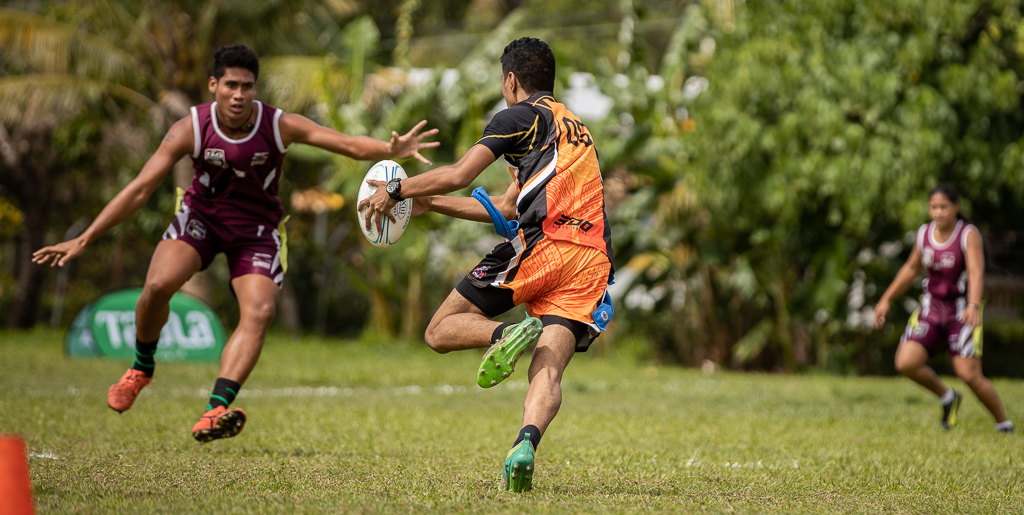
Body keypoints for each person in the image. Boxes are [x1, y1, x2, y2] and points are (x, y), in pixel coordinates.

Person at [33, 44, 438, 442]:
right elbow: (140, 188)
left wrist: (388, 150)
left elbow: (347, 144)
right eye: (230, 85)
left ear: (255, 89)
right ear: (213, 85)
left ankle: (216, 408)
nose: (239, 94)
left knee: (260, 311)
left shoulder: (278, 124)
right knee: (156, 287)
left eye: (247, 86)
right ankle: (141, 367)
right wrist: (86, 237)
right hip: (200, 221)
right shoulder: (191, 127)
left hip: (257, 231)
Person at [359, 37, 614, 492]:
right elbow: (506, 206)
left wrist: (398, 190)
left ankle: (505, 334)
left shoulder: (518, 116)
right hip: (592, 261)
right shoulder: (571, 127)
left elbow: (461, 173)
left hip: (549, 246)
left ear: (510, 80)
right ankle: (525, 445)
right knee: (548, 368)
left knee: (440, 330)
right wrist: (432, 203)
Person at [873, 184, 1013, 434]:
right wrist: (886, 299)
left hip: (961, 310)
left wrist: (972, 305)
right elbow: (910, 269)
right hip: (931, 308)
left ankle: (1003, 422)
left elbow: (976, 272)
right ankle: (948, 397)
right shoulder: (924, 234)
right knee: (906, 362)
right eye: (933, 207)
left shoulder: (967, 234)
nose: (938, 212)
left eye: (944, 206)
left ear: (956, 207)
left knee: (968, 374)